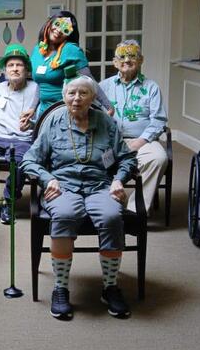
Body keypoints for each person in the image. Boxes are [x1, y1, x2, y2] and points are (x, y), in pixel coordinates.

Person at [21, 75, 135, 321]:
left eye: (83, 93)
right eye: (71, 93)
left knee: (111, 216)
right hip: (63, 186)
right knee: (65, 214)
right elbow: (29, 160)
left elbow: (127, 158)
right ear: (64, 96)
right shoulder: (53, 122)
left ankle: (110, 287)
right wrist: (47, 179)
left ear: (93, 98)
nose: (76, 98)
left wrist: (119, 180)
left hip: (99, 184)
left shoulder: (105, 122)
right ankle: (60, 288)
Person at [98, 39, 168, 214]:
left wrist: (140, 142)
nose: (127, 60)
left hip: (143, 140)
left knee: (158, 158)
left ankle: (134, 211)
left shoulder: (151, 87)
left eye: (132, 56)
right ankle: (106, 207)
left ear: (141, 60)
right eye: (122, 57)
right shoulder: (103, 87)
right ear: (115, 62)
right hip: (109, 141)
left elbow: (158, 120)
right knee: (89, 157)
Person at [0, 44, 39, 225]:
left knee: (21, 162)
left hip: (22, 139)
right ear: (5, 70)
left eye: (19, 65)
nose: (15, 69)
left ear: (27, 69)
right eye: (11, 65)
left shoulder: (36, 89)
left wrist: (31, 124)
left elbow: (43, 118)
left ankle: (9, 202)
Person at [29, 14, 88, 115]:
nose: (59, 30)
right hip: (43, 112)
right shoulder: (37, 49)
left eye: (66, 29)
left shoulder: (71, 49)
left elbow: (89, 81)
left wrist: (107, 106)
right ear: (49, 23)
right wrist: (32, 108)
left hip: (65, 111)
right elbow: (41, 83)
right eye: (58, 24)